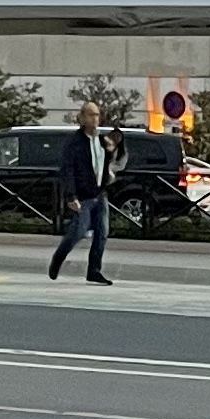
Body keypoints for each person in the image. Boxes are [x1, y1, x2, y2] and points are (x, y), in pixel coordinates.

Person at [48, 101, 120, 284]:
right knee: (78, 232)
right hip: (83, 196)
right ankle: (58, 258)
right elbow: (68, 169)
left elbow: (102, 163)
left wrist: (111, 156)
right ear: (82, 118)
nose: (94, 119)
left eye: (97, 115)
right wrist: (71, 196)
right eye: (90, 115)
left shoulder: (101, 140)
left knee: (102, 233)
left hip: (100, 193)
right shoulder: (75, 142)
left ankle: (94, 270)